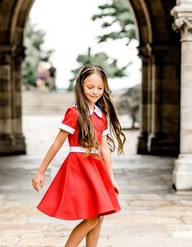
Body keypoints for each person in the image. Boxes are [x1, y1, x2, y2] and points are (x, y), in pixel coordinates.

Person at [31, 63, 126, 247]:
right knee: (91, 218)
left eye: (100, 88)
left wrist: (111, 178)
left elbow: (104, 148)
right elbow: (57, 143)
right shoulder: (74, 112)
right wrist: (40, 171)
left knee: (100, 216)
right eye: (90, 87)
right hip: (79, 167)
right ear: (81, 85)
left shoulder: (101, 114)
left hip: (96, 168)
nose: (95, 92)